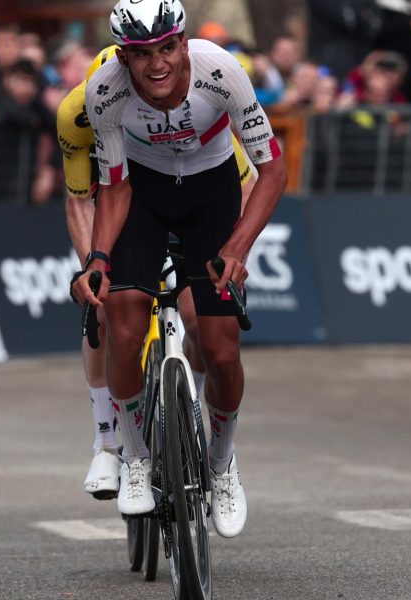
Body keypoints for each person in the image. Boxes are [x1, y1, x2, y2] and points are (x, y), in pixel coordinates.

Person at [71, 0, 287, 538]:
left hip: (211, 193)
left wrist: (237, 246)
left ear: (184, 43)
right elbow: (114, 186)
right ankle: (137, 457)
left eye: (167, 48)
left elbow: (272, 168)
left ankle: (221, 463)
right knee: (121, 321)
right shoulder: (106, 91)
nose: (157, 64)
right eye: (142, 54)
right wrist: (98, 258)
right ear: (124, 56)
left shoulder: (221, 72)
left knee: (218, 348)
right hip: (142, 195)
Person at [58, 45, 257, 501]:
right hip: (121, 186)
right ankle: (108, 442)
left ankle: (193, 404)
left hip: (195, 188)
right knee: (105, 313)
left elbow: (243, 185)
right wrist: (94, 265)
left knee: (200, 322)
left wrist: (233, 252)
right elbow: (79, 199)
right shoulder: (80, 112)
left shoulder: (198, 98)